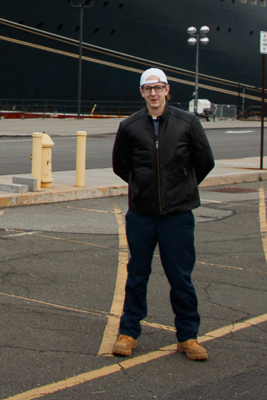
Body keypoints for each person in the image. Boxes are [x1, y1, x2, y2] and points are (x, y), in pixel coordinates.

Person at [110, 68, 215, 361]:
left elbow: (205, 161)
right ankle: (128, 332)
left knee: (181, 277)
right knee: (137, 274)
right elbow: (121, 165)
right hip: (142, 214)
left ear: (168, 90)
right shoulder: (129, 126)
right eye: (147, 89)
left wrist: (182, 188)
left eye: (158, 88)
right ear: (141, 92)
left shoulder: (187, 123)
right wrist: (142, 188)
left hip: (177, 215)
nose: (153, 93)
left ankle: (188, 337)